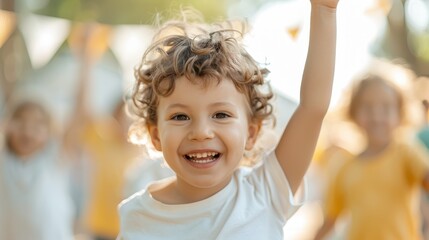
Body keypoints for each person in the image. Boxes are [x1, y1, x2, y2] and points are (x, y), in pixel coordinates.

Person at [117, 0, 339, 239]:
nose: (201, 132)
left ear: (251, 133)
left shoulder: (266, 191)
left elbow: (313, 108)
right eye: (180, 116)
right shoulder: (137, 216)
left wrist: (324, 11)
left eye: (220, 115)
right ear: (156, 135)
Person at [314, 64, 429, 240]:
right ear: (353, 112)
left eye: (386, 107)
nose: (376, 115)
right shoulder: (344, 167)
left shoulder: (406, 153)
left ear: (400, 113)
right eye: (367, 107)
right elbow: (330, 221)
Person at [0, 99, 76, 240]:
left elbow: (79, 116)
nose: (27, 131)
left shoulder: (55, 159)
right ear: (8, 126)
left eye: (37, 125)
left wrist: (84, 75)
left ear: (49, 131)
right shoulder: (4, 160)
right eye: (21, 122)